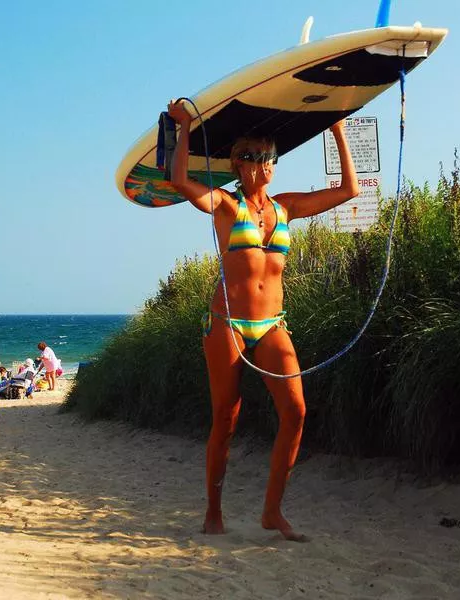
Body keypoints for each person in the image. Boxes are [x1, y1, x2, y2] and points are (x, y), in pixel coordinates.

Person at [167, 100, 361, 541]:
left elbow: (349, 190)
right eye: (252, 156)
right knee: (226, 418)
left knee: (295, 412)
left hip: (273, 324)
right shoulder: (225, 206)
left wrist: (337, 131)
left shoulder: (287, 207)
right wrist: (184, 130)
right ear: (237, 163)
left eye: (269, 156)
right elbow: (178, 180)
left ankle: (272, 512)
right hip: (227, 324)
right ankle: (213, 513)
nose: (262, 164)